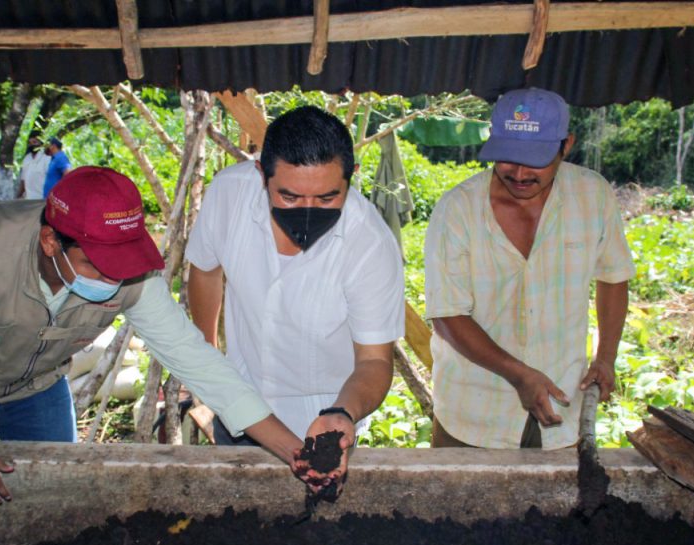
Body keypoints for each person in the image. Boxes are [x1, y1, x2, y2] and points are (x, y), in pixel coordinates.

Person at [0, 166, 313, 505]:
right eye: (97, 265)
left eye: (122, 262)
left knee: (62, 498)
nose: (114, 277)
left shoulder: (131, 276)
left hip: (36, 391)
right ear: (51, 241)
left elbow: (196, 361)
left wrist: (296, 452)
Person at [185, 106, 405, 489]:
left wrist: (341, 413)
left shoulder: (370, 244)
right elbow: (204, 271)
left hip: (320, 423)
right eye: (288, 196)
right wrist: (208, 360)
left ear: (350, 177)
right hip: (238, 403)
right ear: (261, 175)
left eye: (326, 199)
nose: (306, 212)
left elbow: (373, 360)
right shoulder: (228, 195)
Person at [424, 88, 635, 449]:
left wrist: (606, 357)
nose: (519, 173)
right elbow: (447, 315)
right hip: (473, 413)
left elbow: (614, 276)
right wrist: (519, 375)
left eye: (534, 159)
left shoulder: (592, 196)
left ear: (566, 145)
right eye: (508, 158)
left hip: (561, 408)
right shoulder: (457, 210)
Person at [17, 132, 50, 200]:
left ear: (41, 143)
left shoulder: (46, 158)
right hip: (28, 199)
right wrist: (18, 196)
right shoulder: (27, 159)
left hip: (42, 199)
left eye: (34, 142)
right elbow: (23, 181)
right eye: (30, 143)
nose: (32, 145)